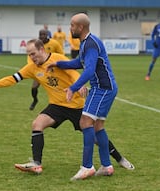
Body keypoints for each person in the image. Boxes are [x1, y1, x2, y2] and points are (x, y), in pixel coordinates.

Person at [0, 39, 134, 175]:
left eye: (33, 53)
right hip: (56, 106)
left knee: (95, 137)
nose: (31, 58)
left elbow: (73, 73)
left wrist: (78, 86)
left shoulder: (57, 59)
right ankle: (36, 164)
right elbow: (13, 78)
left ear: (42, 49)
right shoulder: (31, 67)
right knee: (37, 124)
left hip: (76, 106)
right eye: (28, 54)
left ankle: (120, 159)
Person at [48, 13, 120, 180]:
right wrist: (58, 64)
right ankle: (107, 166)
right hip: (103, 88)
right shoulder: (86, 43)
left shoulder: (91, 44)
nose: (70, 28)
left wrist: (73, 88)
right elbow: (79, 63)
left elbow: (88, 70)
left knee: (85, 122)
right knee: (97, 126)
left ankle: (87, 167)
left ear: (80, 27)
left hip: (103, 89)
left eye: (72, 25)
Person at [29, 29, 63, 111]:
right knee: (34, 87)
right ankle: (35, 100)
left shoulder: (54, 43)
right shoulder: (36, 45)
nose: (42, 36)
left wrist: (56, 64)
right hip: (40, 70)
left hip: (53, 70)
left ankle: (57, 104)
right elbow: (30, 57)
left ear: (47, 35)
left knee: (56, 87)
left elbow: (61, 54)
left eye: (44, 34)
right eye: (41, 35)